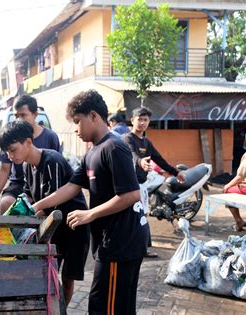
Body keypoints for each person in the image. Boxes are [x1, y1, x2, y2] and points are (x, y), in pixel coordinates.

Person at [33, 90, 149, 315]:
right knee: (108, 305)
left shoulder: (114, 147)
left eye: (78, 121)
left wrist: (90, 214)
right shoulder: (92, 152)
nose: (76, 129)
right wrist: (39, 206)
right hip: (109, 241)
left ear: (94, 116)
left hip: (122, 241)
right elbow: (71, 186)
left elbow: (131, 194)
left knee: (107, 308)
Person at [0, 121, 90, 306]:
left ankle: (61, 310)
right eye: (7, 152)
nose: (10, 155)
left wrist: (30, 211)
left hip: (73, 227)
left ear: (29, 142)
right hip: (52, 228)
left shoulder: (51, 160)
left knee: (67, 277)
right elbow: (29, 198)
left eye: (13, 149)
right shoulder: (26, 167)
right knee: (49, 272)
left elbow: (53, 201)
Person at [123, 107, 185, 258]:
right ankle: (136, 248)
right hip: (129, 185)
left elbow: (159, 159)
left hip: (141, 184)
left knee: (141, 216)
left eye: (145, 120)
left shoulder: (146, 142)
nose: (143, 123)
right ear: (132, 120)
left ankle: (141, 248)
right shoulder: (127, 139)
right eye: (140, 119)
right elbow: (132, 154)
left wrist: (176, 172)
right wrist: (140, 162)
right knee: (135, 216)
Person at [0, 95, 60, 215]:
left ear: (35, 114)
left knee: (41, 209)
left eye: (23, 115)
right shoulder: (10, 137)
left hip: (45, 184)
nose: (19, 119)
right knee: (7, 204)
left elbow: (60, 179)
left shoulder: (50, 139)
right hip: (20, 185)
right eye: (16, 116)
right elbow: (4, 169)